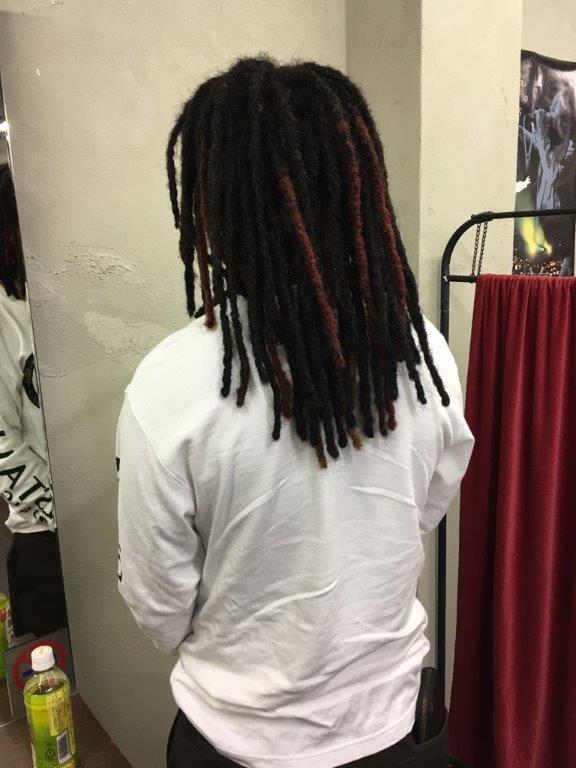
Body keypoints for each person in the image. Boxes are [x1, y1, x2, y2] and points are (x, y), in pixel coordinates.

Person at [116, 58, 474, 768]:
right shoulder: (423, 353)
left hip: (237, 742)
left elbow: (158, 606)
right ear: (357, 187)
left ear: (216, 202)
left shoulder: (169, 385)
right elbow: (424, 509)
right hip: (393, 735)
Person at [0, 164, 67, 638]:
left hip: (99, 527)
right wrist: (60, 514)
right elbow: (1, 443)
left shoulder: (60, 297)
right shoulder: (4, 315)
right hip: (43, 539)